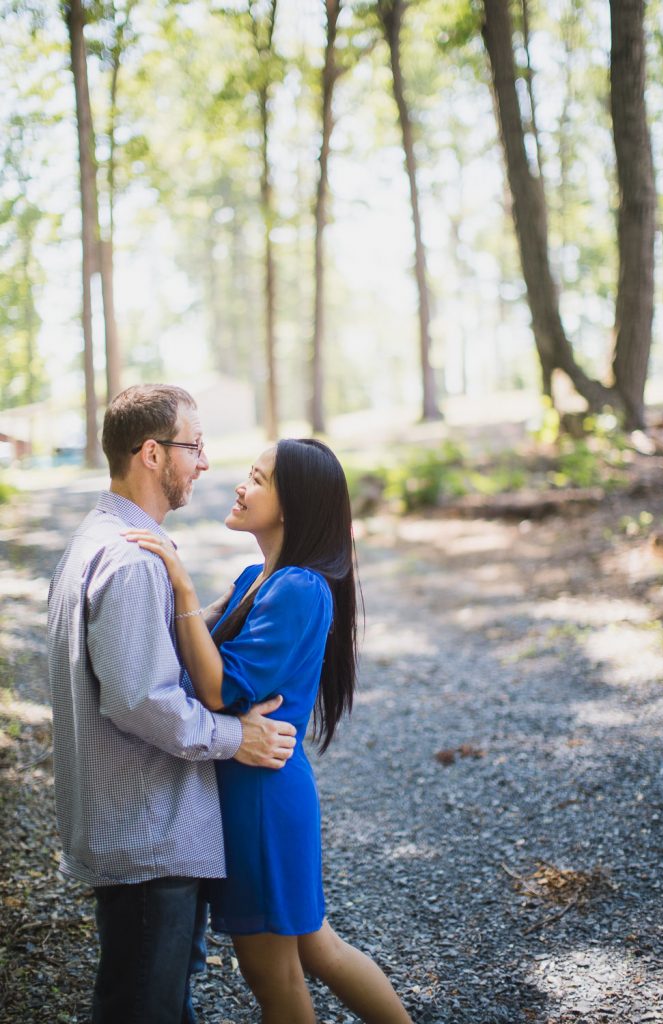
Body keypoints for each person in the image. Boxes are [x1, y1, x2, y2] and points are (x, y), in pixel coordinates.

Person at [125, 438, 412, 1024]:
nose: (240, 485)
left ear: (292, 505)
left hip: (261, 797)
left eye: (257, 479)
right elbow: (193, 650)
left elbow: (217, 688)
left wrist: (180, 586)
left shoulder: (298, 589)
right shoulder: (261, 576)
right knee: (314, 949)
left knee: (274, 970)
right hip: (255, 788)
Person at [47, 384, 297, 1024]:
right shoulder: (132, 561)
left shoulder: (100, 538)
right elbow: (140, 699)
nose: (205, 463)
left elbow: (139, 655)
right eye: (195, 446)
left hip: (135, 834)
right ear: (153, 454)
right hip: (149, 838)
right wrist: (233, 737)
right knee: (142, 1010)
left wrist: (206, 608)